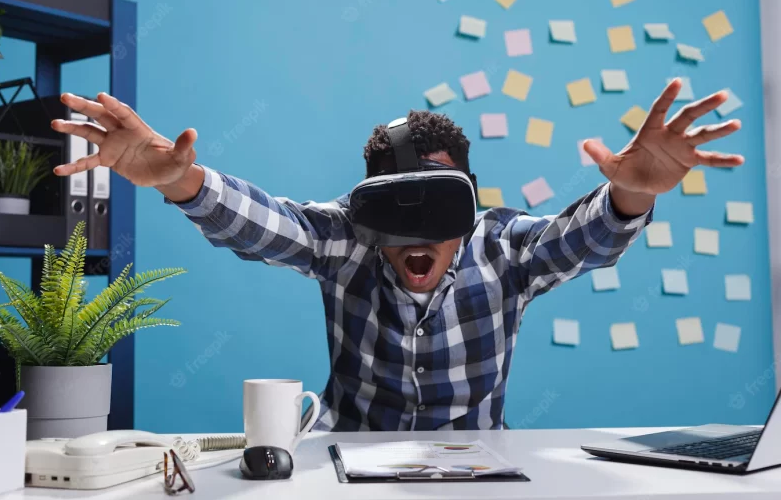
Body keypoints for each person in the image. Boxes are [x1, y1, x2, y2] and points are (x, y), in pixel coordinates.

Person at [51, 79, 743, 431]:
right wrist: (179, 178)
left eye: (438, 201)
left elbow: (580, 239)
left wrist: (629, 195)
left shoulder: (501, 246)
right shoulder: (348, 237)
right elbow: (263, 224)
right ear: (370, 201)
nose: (418, 230)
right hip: (342, 461)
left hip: (477, 470)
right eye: (397, 202)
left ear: (470, 197)